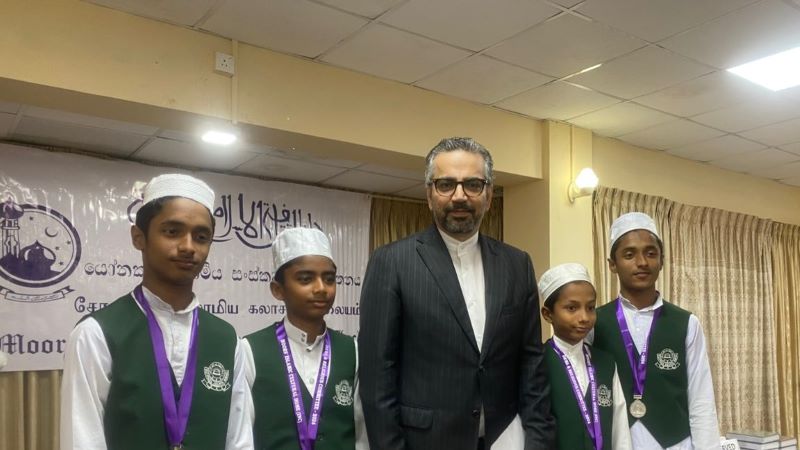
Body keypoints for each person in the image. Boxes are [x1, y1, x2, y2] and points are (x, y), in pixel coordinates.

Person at [358, 137, 555, 450]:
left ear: (488, 195)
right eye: (446, 184)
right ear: (429, 194)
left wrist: (538, 442)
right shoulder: (392, 262)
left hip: (505, 441)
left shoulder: (517, 264)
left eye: (473, 185)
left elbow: (531, 363)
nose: (459, 196)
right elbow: (377, 377)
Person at [60, 173, 253, 450]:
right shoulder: (96, 334)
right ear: (139, 237)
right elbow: (82, 441)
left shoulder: (226, 338)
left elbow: (239, 439)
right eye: (172, 232)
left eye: (201, 237)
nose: (188, 247)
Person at [590, 212, 720, 450]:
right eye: (629, 254)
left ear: (662, 261)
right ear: (612, 264)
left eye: (651, 253)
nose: (642, 262)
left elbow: (701, 399)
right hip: (615, 443)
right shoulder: (594, 323)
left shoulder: (686, 323)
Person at [242, 227, 368, 449]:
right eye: (306, 279)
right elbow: (241, 437)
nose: (321, 288)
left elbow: (362, 437)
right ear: (278, 290)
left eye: (329, 279)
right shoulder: (249, 351)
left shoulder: (353, 351)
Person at [539, 263, 632, 450]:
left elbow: (620, 428)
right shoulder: (537, 363)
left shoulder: (606, 362)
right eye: (572, 308)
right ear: (548, 314)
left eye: (590, 307)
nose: (584, 317)